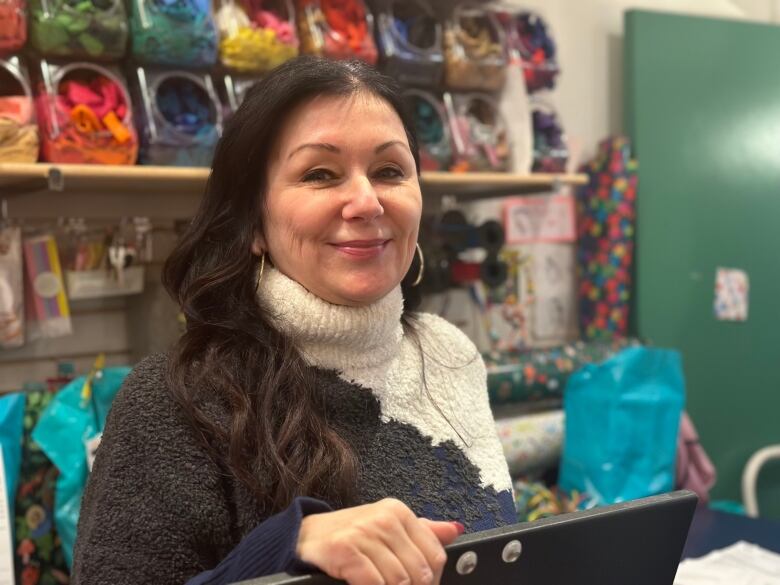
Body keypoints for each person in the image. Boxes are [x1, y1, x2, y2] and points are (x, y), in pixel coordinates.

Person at [71, 56, 515, 585]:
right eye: (319, 174)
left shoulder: (449, 354)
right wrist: (286, 547)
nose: (366, 202)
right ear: (253, 222)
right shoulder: (174, 400)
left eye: (390, 171)